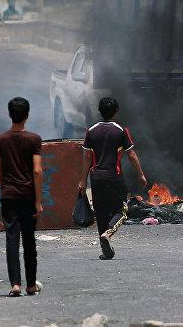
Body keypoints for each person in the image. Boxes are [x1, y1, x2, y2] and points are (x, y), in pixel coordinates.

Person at [77, 97, 147, 260]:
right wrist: (140, 174)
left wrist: (82, 180)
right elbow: (131, 154)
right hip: (113, 176)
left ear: (100, 111)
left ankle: (105, 250)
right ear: (116, 112)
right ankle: (108, 233)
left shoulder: (91, 130)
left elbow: (87, 158)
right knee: (121, 210)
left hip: (95, 177)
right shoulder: (120, 130)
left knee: (100, 212)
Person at [0, 98, 43, 296]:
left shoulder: (0, 141)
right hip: (28, 196)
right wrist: (38, 201)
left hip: (9, 195)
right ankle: (31, 284)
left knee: (11, 239)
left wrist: (6, 187)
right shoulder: (34, 140)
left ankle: (15, 284)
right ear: (27, 115)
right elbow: (37, 170)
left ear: (9, 114)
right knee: (29, 240)